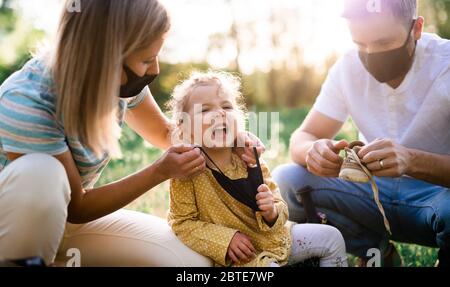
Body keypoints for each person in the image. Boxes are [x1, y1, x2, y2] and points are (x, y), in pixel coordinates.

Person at [0, 0, 261, 267]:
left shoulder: (118, 81)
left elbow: (165, 133)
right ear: (106, 55)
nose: (155, 70)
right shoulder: (27, 100)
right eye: (147, 59)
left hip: (67, 222)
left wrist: (231, 139)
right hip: (12, 223)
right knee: (41, 173)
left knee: (191, 262)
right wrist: (159, 171)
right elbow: (77, 206)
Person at [273, 0, 450, 266]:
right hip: (370, 190)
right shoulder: (346, 68)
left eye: (382, 43)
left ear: (416, 29)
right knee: (287, 180)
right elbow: (303, 136)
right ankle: (376, 252)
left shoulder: (445, 65)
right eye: (360, 44)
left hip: (437, 198)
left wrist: (412, 161)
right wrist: (314, 151)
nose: (369, 54)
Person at [167, 71, 348, 267]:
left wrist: (272, 211)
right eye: (204, 110)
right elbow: (181, 222)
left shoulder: (249, 158)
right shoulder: (187, 170)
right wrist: (225, 240)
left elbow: (278, 202)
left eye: (227, 106)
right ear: (184, 126)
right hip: (243, 257)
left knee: (332, 237)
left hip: (275, 238)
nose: (220, 113)